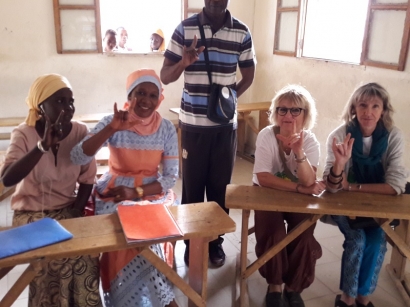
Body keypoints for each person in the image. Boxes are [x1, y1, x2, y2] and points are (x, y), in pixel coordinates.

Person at [70, 69, 179, 307]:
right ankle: (138, 298)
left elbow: (171, 177)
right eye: (140, 93)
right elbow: (77, 156)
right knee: (125, 233)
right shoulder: (114, 122)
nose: (146, 101)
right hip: (114, 192)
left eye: (153, 94)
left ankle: (153, 296)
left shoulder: (166, 128)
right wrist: (112, 129)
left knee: (147, 235)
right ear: (130, 95)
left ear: (160, 98)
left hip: (152, 192)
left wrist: (136, 193)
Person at [160, 0, 256, 268]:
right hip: (192, 125)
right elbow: (165, 76)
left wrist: (228, 99)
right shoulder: (184, 29)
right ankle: (193, 245)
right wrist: (184, 62)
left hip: (225, 128)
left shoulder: (241, 31)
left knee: (220, 188)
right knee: (192, 188)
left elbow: (249, 73)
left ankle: (215, 243)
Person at [0, 74, 101, 306]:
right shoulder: (24, 134)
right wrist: (42, 147)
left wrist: (76, 213)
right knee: (52, 260)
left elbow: (88, 179)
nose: (68, 107)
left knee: (85, 260)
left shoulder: (80, 132)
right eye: (59, 101)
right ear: (40, 106)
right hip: (31, 214)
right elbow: (7, 179)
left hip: (67, 211)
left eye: (71, 101)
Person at [324, 82, 408, 307]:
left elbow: (395, 186)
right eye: (362, 105)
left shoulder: (393, 137)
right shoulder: (340, 134)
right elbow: (331, 188)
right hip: (344, 205)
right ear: (353, 108)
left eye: (375, 106)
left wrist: (351, 186)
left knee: (378, 241)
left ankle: (364, 297)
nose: (368, 112)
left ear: (383, 111)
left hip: (377, 205)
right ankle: (347, 298)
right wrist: (339, 164)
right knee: (358, 240)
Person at [253, 85, 324, 307]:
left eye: (295, 110)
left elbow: (308, 182)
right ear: (275, 113)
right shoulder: (266, 135)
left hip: (297, 197)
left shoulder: (310, 142)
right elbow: (263, 177)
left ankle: (294, 287)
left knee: (303, 234)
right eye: (282, 110)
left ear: (305, 115)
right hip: (267, 193)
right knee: (273, 232)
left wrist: (299, 151)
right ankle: (274, 284)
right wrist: (298, 189)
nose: (288, 115)